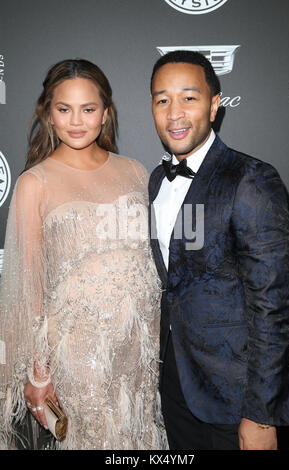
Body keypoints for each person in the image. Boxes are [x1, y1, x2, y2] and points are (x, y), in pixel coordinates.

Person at [0, 59, 166, 450]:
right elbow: (29, 288)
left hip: (137, 354)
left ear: (105, 114)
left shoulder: (136, 172)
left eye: (88, 109)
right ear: (48, 114)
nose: (76, 121)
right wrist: (39, 373)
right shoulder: (33, 183)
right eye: (64, 109)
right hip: (78, 359)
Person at [148, 50, 289, 450]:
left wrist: (262, 413)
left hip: (236, 397)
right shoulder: (155, 183)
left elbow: (273, 304)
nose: (174, 113)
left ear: (215, 106)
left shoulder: (252, 179)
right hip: (175, 386)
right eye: (162, 100)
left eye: (189, 98)